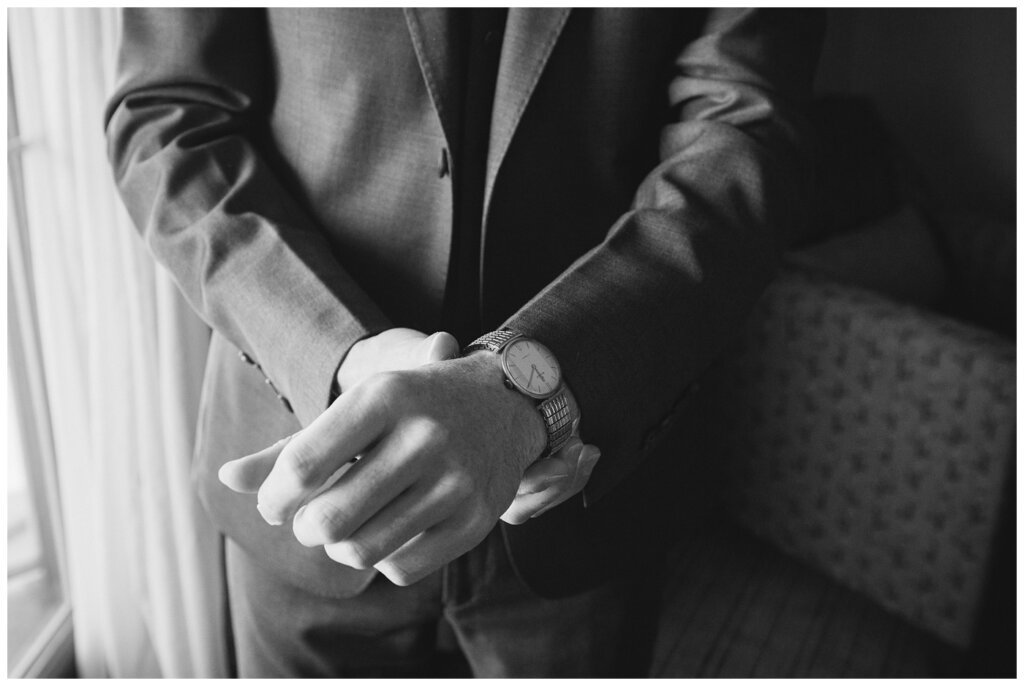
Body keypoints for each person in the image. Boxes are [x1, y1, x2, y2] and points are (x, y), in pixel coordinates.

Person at [105, 8, 823, 677]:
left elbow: (742, 139)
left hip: (586, 484)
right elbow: (170, 114)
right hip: (303, 463)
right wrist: (342, 354)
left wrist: (528, 389)